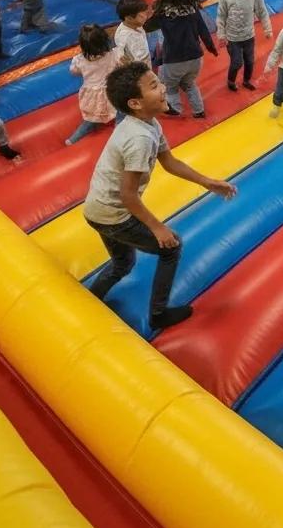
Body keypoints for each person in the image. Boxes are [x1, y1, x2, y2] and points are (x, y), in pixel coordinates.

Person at [84, 62, 236, 330]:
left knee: (122, 262)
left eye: (159, 82)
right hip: (114, 214)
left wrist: (208, 182)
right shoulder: (138, 138)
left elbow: (169, 162)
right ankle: (158, 314)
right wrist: (158, 229)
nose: (164, 87)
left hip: (97, 210)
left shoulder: (149, 123)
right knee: (171, 248)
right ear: (135, 103)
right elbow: (128, 195)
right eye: (154, 86)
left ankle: (89, 299)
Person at [145, 0, 217, 118]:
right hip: (196, 58)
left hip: (175, 60)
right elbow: (203, 31)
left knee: (169, 86)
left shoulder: (164, 13)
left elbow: (147, 26)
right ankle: (199, 110)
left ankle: (175, 108)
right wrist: (211, 48)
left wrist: (154, 7)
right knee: (189, 83)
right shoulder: (192, 9)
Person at [216, 0, 272, 91]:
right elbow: (221, 17)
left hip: (249, 37)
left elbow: (262, 12)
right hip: (233, 39)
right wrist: (221, 35)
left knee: (250, 61)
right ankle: (231, 81)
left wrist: (267, 28)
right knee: (237, 62)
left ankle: (246, 80)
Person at [66, 24, 121, 145]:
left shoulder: (79, 60)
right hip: (110, 93)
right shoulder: (112, 55)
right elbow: (119, 65)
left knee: (90, 119)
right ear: (105, 41)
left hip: (90, 94)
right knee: (120, 111)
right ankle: (120, 131)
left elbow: (74, 71)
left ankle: (72, 140)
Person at [114, 0, 151, 65]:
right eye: (141, 16)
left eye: (145, 13)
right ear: (129, 18)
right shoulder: (126, 37)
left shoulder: (135, 24)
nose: (145, 16)